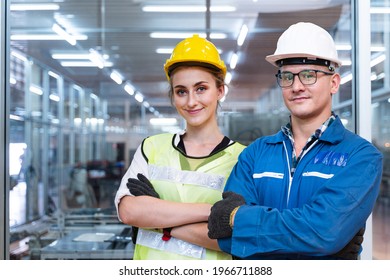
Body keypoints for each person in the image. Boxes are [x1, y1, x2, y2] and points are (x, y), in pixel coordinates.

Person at [207, 22, 383, 259]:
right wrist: (314, 235)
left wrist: (238, 220)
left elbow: (323, 233)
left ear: (333, 82)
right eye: (287, 76)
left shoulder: (361, 157)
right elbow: (225, 236)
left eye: (309, 75)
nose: (296, 86)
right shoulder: (255, 154)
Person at [114, 34, 246, 260]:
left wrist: (159, 220)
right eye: (181, 91)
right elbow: (129, 211)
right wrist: (214, 211)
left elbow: (235, 238)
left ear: (220, 90)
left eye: (201, 88)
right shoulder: (152, 147)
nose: (191, 101)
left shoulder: (243, 158)